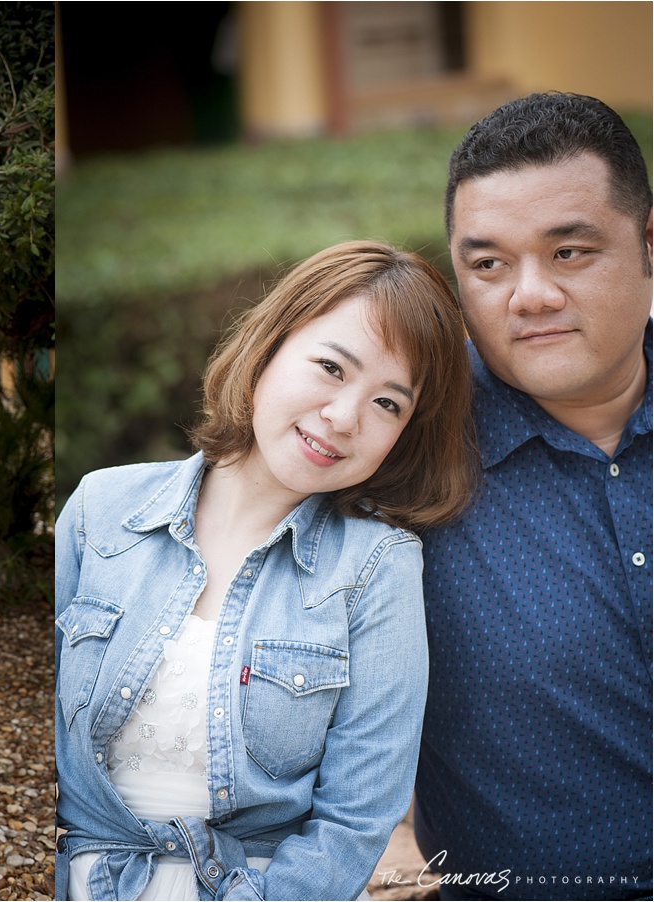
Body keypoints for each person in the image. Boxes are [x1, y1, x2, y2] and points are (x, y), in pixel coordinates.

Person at [55, 240, 480, 901]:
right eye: (332, 368)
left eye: (388, 404)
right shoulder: (100, 510)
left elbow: (355, 820)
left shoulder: (377, 569)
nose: (343, 419)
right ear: (271, 345)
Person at [413, 92, 653, 900]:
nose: (529, 295)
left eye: (570, 253)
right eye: (488, 265)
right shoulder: (403, 456)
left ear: (649, 246)